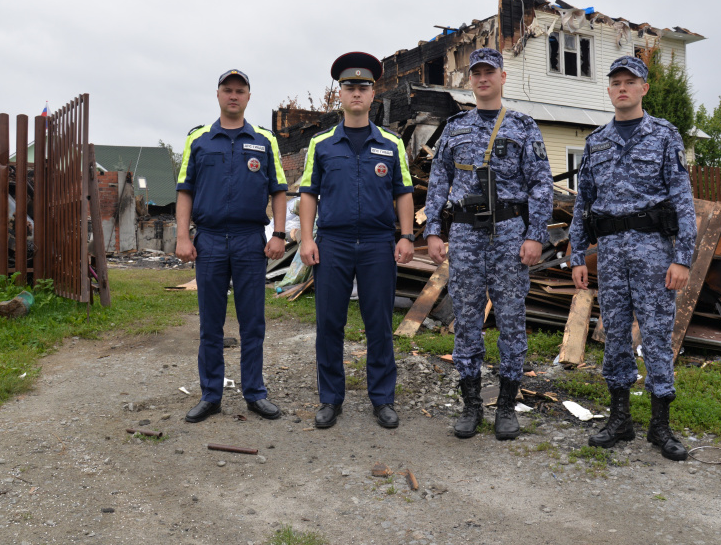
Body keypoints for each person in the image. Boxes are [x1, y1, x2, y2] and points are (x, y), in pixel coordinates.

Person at [568, 55, 697, 461]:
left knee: (657, 336)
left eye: (630, 81)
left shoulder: (664, 135)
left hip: (654, 252)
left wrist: (683, 259)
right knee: (615, 336)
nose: (622, 88)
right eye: (616, 82)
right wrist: (576, 256)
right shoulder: (596, 142)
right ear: (608, 91)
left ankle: (660, 425)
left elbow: (683, 201)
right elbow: (582, 205)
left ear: (643, 88)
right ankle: (620, 419)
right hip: (610, 254)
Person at [423, 48, 553, 441]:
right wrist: (432, 229)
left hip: (510, 232)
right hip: (465, 233)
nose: (483, 79)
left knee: (511, 317)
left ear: (502, 77)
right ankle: (471, 405)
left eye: (489, 72)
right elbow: (438, 180)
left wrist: (535, 235)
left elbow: (541, 183)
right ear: (471, 79)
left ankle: (508, 406)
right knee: (466, 316)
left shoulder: (522, 126)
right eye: (476, 72)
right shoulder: (454, 127)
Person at [298, 52, 415, 430]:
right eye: (349, 87)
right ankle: (331, 399)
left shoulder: (391, 143)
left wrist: (407, 236)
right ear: (340, 94)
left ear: (373, 93)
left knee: (378, 322)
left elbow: (403, 193)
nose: (356, 93)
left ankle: (382, 399)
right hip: (333, 242)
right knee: (329, 322)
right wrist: (306, 239)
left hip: (379, 242)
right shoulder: (321, 144)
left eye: (363, 87)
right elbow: (309, 194)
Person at [175, 69, 288, 423]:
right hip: (208, 240)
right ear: (218, 95)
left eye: (240, 91)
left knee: (252, 322)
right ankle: (211, 395)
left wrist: (279, 234)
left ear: (249, 97)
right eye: (228, 90)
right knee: (211, 324)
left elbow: (279, 191)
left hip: (248, 241)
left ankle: (255, 393)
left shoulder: (265, 140)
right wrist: (182, 236)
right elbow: (184, 191)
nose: (234, 96)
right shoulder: (198, 139)